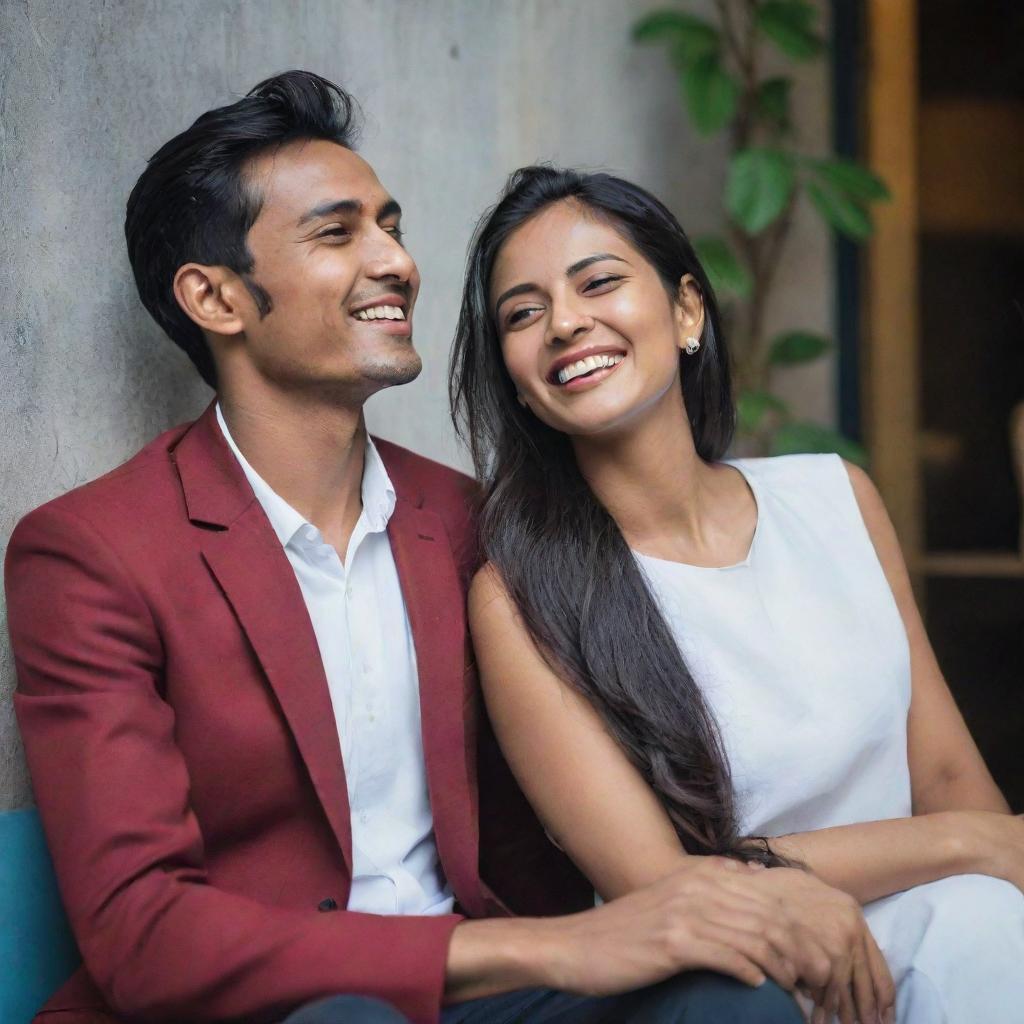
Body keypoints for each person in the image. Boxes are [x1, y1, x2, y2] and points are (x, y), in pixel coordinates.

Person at [4, 73, 815, 1024]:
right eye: (338, 233)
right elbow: (143, 934)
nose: (396, 260)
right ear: (216, 298)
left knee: (731, 997)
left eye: (390, 225)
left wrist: (752, 902)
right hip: (280, 1009)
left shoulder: (469, 522)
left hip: (486, 993)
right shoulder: (92, 552)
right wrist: (556, 946)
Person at [450, 164, 1024, 1024]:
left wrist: (970, 845)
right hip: (739, 980)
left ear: (686, 311)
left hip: (946, 932)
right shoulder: (521, 600)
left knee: (986, 926)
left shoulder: (835, 498)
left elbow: (947, 775)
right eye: (523, 314)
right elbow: (661, 885)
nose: (565, 323)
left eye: (598, 281)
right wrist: (962, 843)